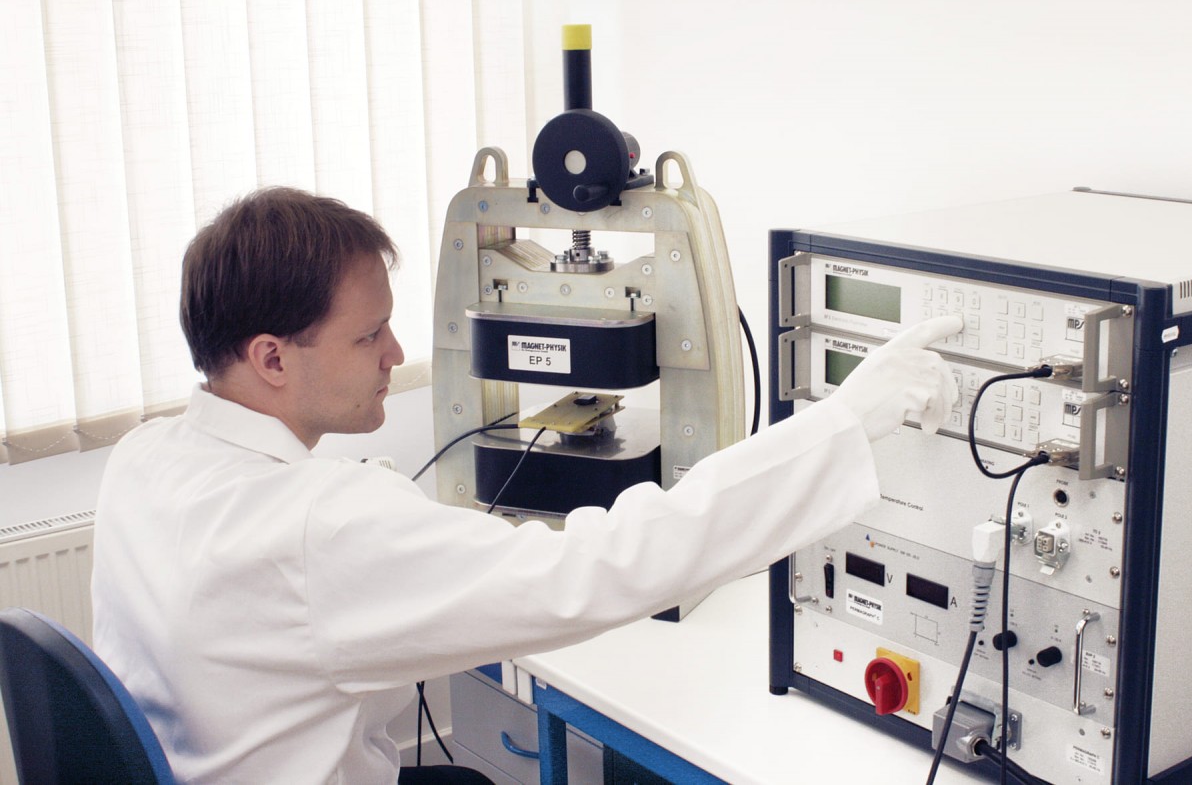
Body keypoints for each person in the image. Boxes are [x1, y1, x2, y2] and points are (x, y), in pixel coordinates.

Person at [91, 187, 962, 784]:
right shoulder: (317, 527)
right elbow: (602, 566)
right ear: (272, 358)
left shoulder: (143, 460)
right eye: (368, 336)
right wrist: (843, 424)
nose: (397, 354)